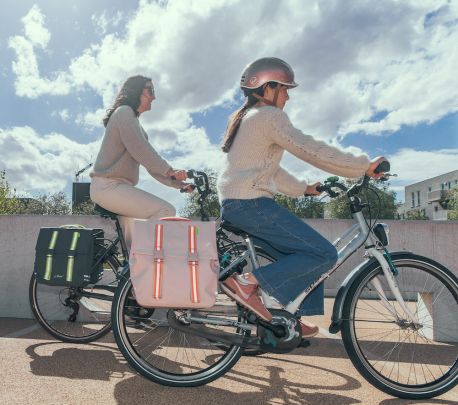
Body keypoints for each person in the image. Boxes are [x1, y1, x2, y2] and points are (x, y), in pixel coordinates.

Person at [217, 57, 386, 338]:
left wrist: (305, 188)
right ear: (266, 87)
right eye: (284, 88)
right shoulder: (269, 116)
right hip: (251, 204)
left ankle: (287, 320)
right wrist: (362, 166)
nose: (287, 96)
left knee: (301, 254)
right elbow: (310, 148)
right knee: (322, 253)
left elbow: (269, 168)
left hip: (238, 204)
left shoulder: (250, 119)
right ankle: (247, 284)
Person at [90, 75, 192, 247]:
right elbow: (142, 151)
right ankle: (150, 261)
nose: (154, 97)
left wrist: (179, 184)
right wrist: (171, 171)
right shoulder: (124, 112)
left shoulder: (134, 122)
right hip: (108, 187)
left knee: (133, 249)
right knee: (165, 210)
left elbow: (148, 163)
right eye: (150, 91)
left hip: (118, 189)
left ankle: (135, 270)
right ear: (136, 91)